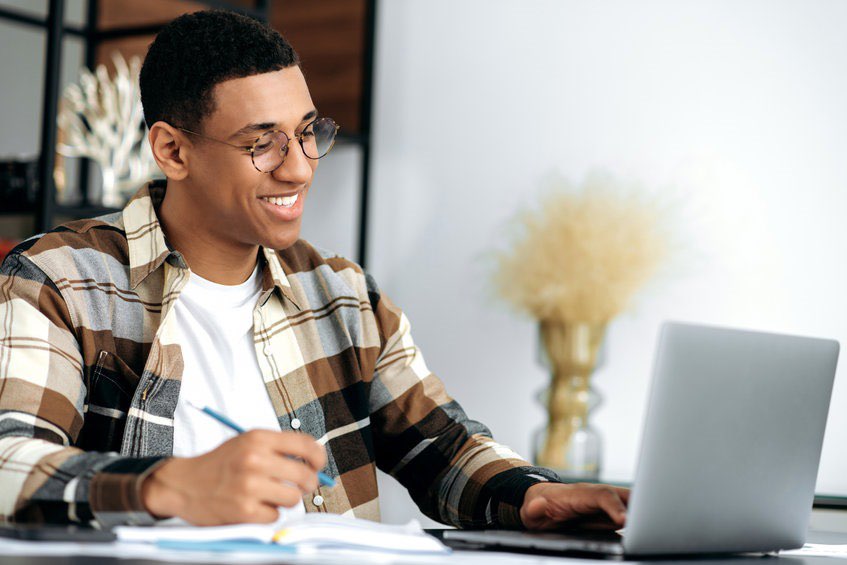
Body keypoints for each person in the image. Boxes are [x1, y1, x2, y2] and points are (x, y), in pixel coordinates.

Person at [0, 10, 628, 530]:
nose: (300, 168)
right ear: (172, 150)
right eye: (261, 143)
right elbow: (9, 463)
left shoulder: (344, 296)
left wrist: (531, 495)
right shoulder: (59, 281)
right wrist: (166, 485)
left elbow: (444, 447)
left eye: (307, 132)